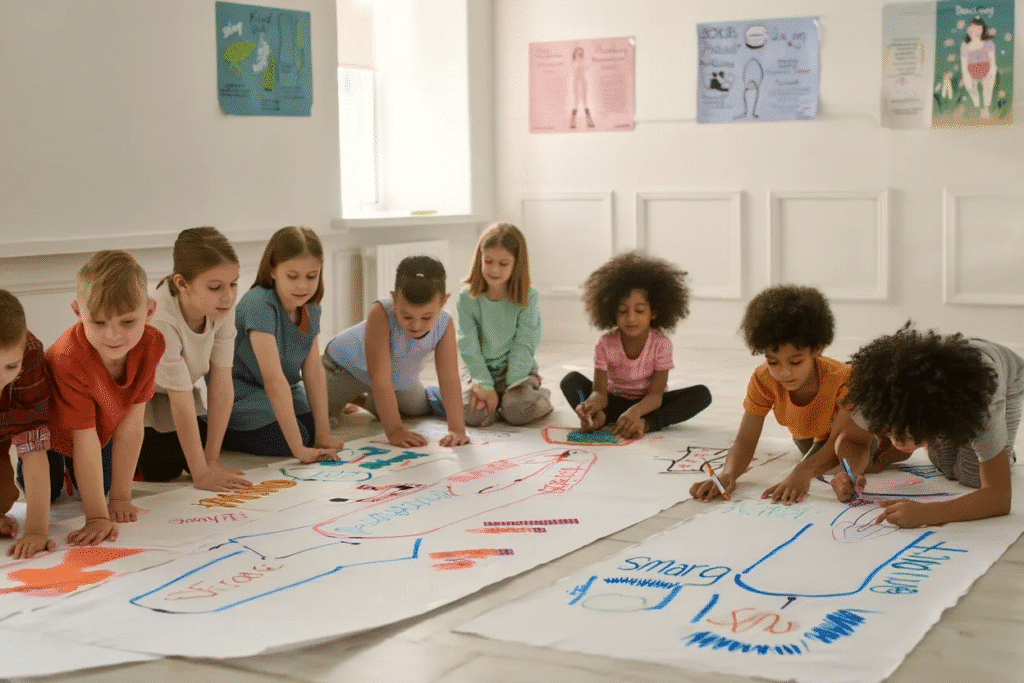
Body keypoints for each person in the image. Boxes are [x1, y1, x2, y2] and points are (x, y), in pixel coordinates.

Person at [835, 324, 1021, 526]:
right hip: (938, 396)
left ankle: (1003, 451)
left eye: (909, 433)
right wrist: (851, 473)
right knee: (946, 465)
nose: (897, 443)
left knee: (971, 476)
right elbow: (851, 440)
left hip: (1004, 375)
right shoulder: (879, 398)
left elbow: (999, 497)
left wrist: (928, 513)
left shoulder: (982, 400)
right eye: (888, 430)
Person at [690, 285, 851, 503]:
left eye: (795, 362)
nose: (784, 372)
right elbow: (745, 439)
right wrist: (727, 474)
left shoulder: (842, 378)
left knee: (849, 450)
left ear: (817, 349)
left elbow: (843, 442)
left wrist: (802, 472)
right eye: (773, 362)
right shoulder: (763, 379)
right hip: (809, 442)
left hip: (848, 440)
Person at [46, 251, 164, 544]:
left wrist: (121, 497)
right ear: (78, 312)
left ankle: (81, 478)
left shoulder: (151, 344)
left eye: (127, 322)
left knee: (108, 484)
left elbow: (132, 426)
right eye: (98, 323)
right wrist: (97, 516)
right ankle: (59, 472)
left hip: (99, 433)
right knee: (47, 491)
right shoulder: (68, 357)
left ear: (149, 311)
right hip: (50, 434)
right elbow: (82, 437)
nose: (113, 336)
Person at [138, 227, 251, 491]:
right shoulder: (162, 318)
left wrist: (211, 462)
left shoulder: (222, 307)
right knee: (163, 468)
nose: (228, 296)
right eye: (215, 287)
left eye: (233, 284)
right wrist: (201, 475)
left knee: (198, 454)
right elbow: (179, 399)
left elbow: (222, 383)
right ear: (181, 283)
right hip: (141, 400)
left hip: (175, 394)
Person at [323, 255, 470, 448]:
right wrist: (395, 431)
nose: (416, 325)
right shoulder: (380, 312)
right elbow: (379, 378)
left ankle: (360, 399)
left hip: (394, 374)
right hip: (345, 368)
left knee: (415, 408)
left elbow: (449, 376)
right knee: (319, 413)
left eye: (426, 317)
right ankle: (350, 393)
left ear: (443, 302)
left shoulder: (445, 323)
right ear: (394, 299)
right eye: (406, 316)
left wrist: (457, 429)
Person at [223, 227, 344, 461]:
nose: (303, 286)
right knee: (292, 439)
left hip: (280, 390)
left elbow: (313, 370)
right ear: (273, 270)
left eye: (311, 276)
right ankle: (217, 427)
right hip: (243, 394)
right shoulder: (258, 304)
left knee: (311, 430)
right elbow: (273, 379)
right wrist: (298, 450)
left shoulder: (310, 307)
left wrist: (323, 433)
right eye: (292, 276)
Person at [561, 252, 711, 440]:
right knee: (570, 380)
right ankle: (597, 418)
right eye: (622, 311)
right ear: (612, 312)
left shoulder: (661, 344)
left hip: (646, 406)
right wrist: (589, 405)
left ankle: (646, 424)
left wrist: (636, 412)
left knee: (701, 395)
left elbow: (656, 396)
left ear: (653, 312)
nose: (631, 318)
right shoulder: (605, 343)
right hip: (611, 403)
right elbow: (599, 392)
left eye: (639, 311)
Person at [457, 223, 552, 427]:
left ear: (516, 264)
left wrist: (511, 385)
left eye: (503, 264)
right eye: (488, 261)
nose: (493, 269)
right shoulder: (466, 298)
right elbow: (467, 345)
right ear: (480, 258)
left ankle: (537, 396)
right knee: (472, 415)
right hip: (481, 371)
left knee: (517, 412)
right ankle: (499, 404)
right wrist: (484, 384)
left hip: (517, 373)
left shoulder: (528, 296)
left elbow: (525, 342)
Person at [1, 291, 54, 558]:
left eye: (11, 366)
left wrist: (36, 530)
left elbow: (33, 445)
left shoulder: (31, 353)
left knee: (3, 497)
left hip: (6, 422)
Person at [961, 17, 997, 119]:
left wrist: (989, 73)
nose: (974, 30)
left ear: (982, 30)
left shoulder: (988, 42)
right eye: (972, 27)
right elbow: (964, 63)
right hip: (971, 71)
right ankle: (977, 105)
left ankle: (986, 107)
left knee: (988, 87)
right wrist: (967, 76)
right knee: (970, 86)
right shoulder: (965, 45)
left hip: (986, 70)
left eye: (978, 28)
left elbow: (992, 61)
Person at [570, 46, 595, 129]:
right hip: (576, 82)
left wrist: (592, 62)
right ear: (576, 53)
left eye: (582, 52)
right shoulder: (574, 62)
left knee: (585, 101)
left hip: (583, 82)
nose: (581, 54)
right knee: (576, 101)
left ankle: (589, 121)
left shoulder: (583, 61)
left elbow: (585, 67)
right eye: (579, 52)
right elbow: (578, 68)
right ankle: (572, 122)